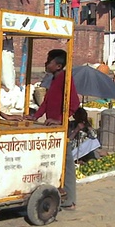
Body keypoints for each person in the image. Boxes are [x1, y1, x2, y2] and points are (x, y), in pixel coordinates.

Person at [27, 49, 80, 210]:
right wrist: (35, 116)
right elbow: (46, 102)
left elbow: (74, 104)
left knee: (67, 165)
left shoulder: (65, 78)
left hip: (61, 127)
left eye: (49, 61)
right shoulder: (53, 79)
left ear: (58, 65)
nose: (46, 63)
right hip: (52, 128)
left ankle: (69, 200)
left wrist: (60, 120)